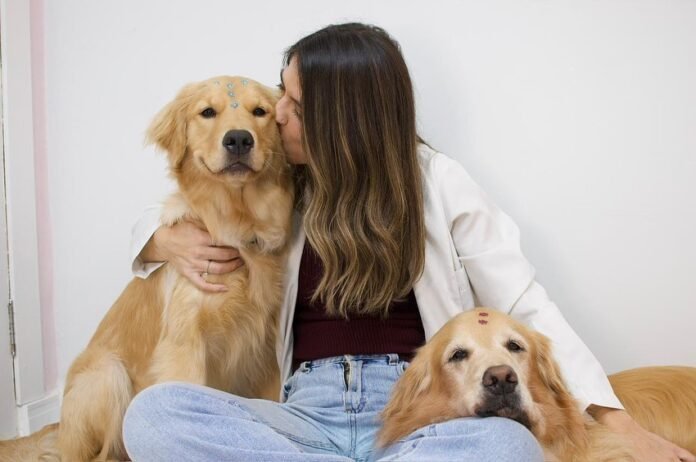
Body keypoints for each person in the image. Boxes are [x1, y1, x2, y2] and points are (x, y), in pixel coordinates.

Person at [121, 23, 695, 462]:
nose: (277, 118)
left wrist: (618, 423)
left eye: (293, 105)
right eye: (281, 98)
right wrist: (159, 240)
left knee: (508, 449)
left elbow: (525, 304)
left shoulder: (438, 181)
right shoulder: (277, 183)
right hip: (305, 413)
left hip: (417, 408)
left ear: (342, 115)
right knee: (153, 416)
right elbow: (182, 193)